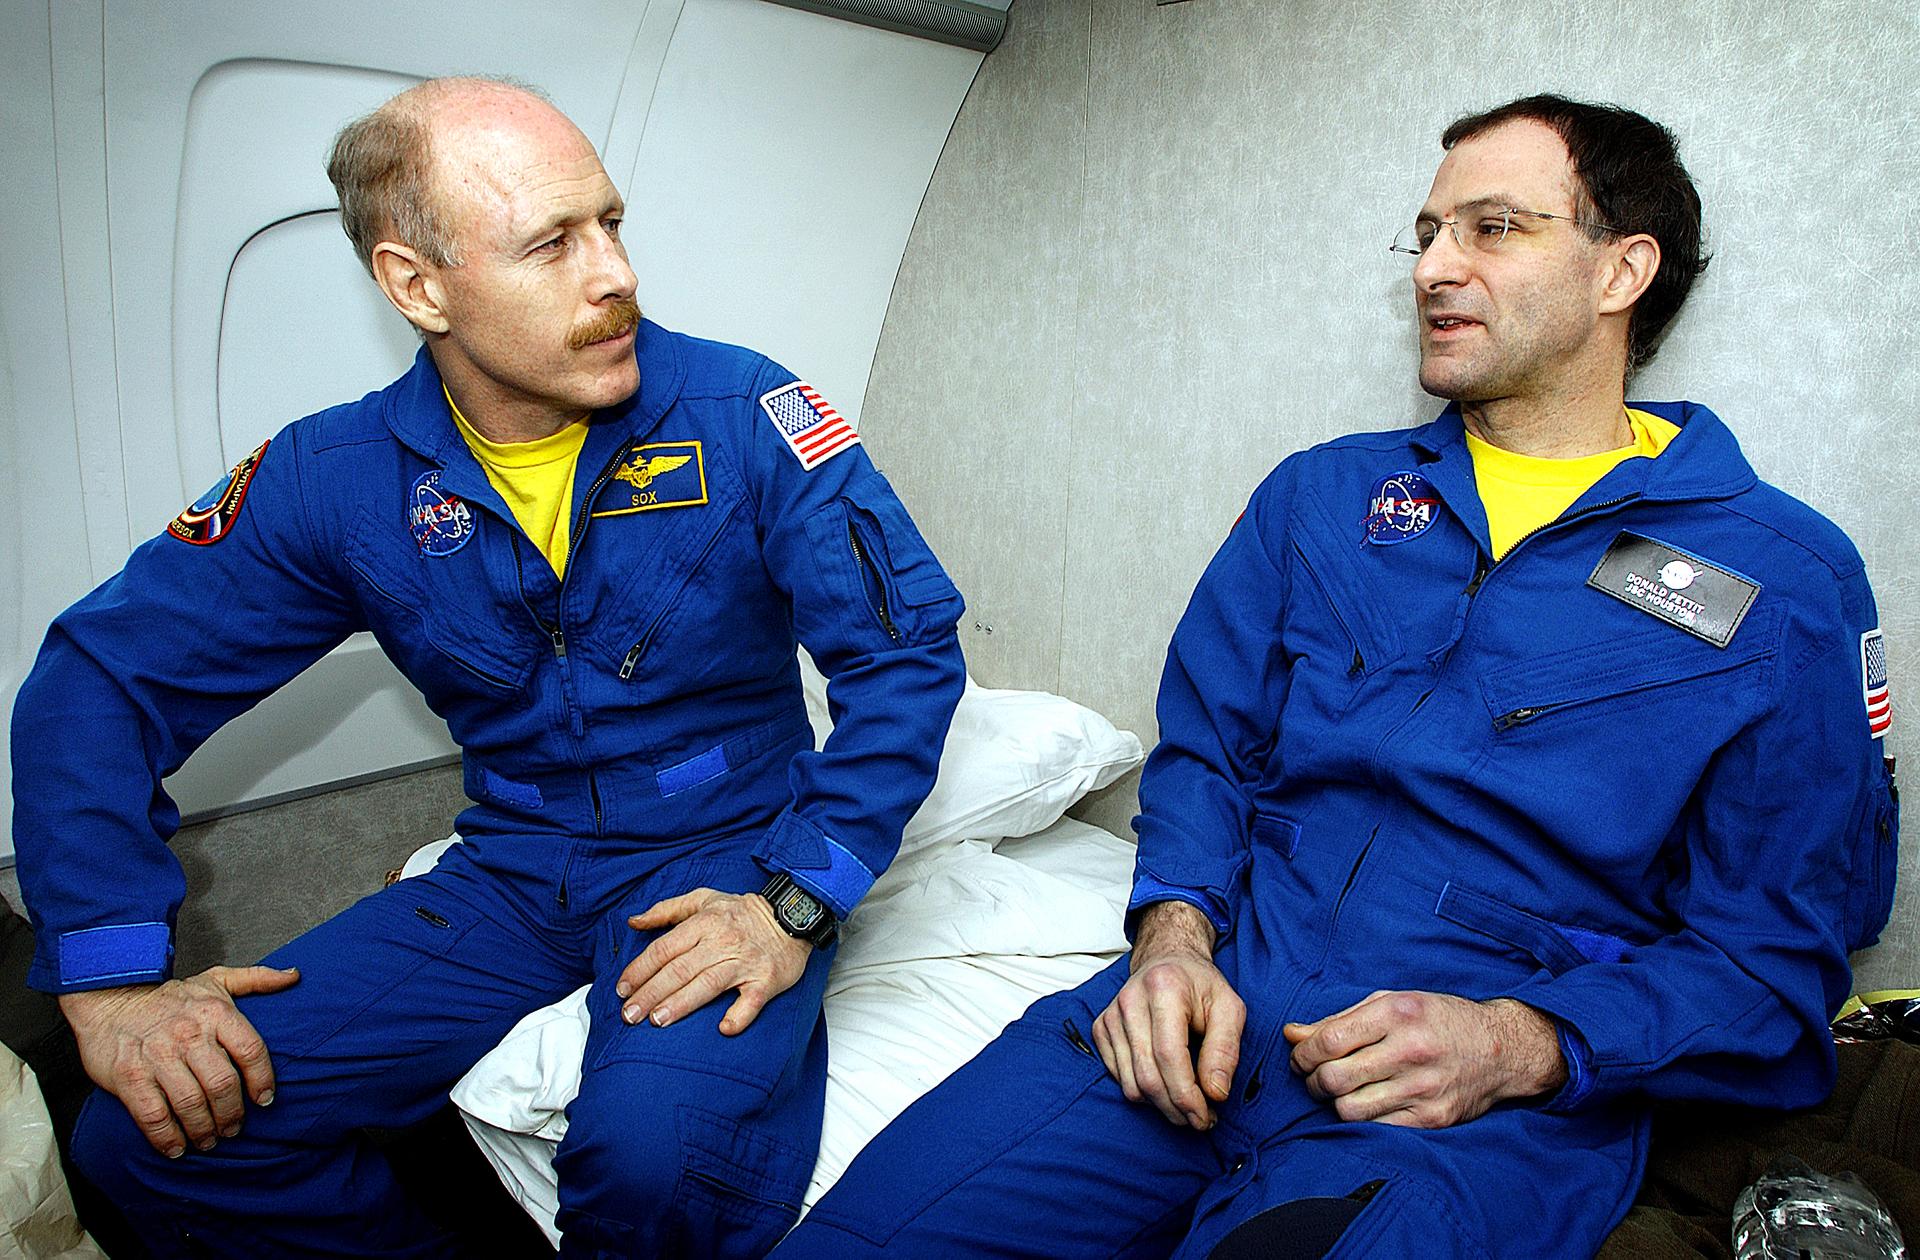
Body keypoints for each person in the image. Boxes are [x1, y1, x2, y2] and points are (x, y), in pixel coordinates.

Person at [769, 94, 1900, 1259]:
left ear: (1623, 270)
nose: (1435, 268)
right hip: (1199, 1019)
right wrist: (1171, 942)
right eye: (1428, 234)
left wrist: (1522, 1044)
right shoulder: (1324, 498)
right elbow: (1207, 754)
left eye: (1493, 229)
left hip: (1456, 1117)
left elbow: (1776, 958)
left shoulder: (1782, 582)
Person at [9, 76, 967, 1258]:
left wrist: (795, 901)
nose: (615, 274)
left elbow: (905, 656)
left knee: (653, 1161)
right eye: (551, 244)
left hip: (725, 848)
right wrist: (110, 980)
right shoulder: (337, 478)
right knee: (144, 1140)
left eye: (610, 224)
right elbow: (98, 680)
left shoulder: (744, 413)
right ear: (418, 286)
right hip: (517, 868)